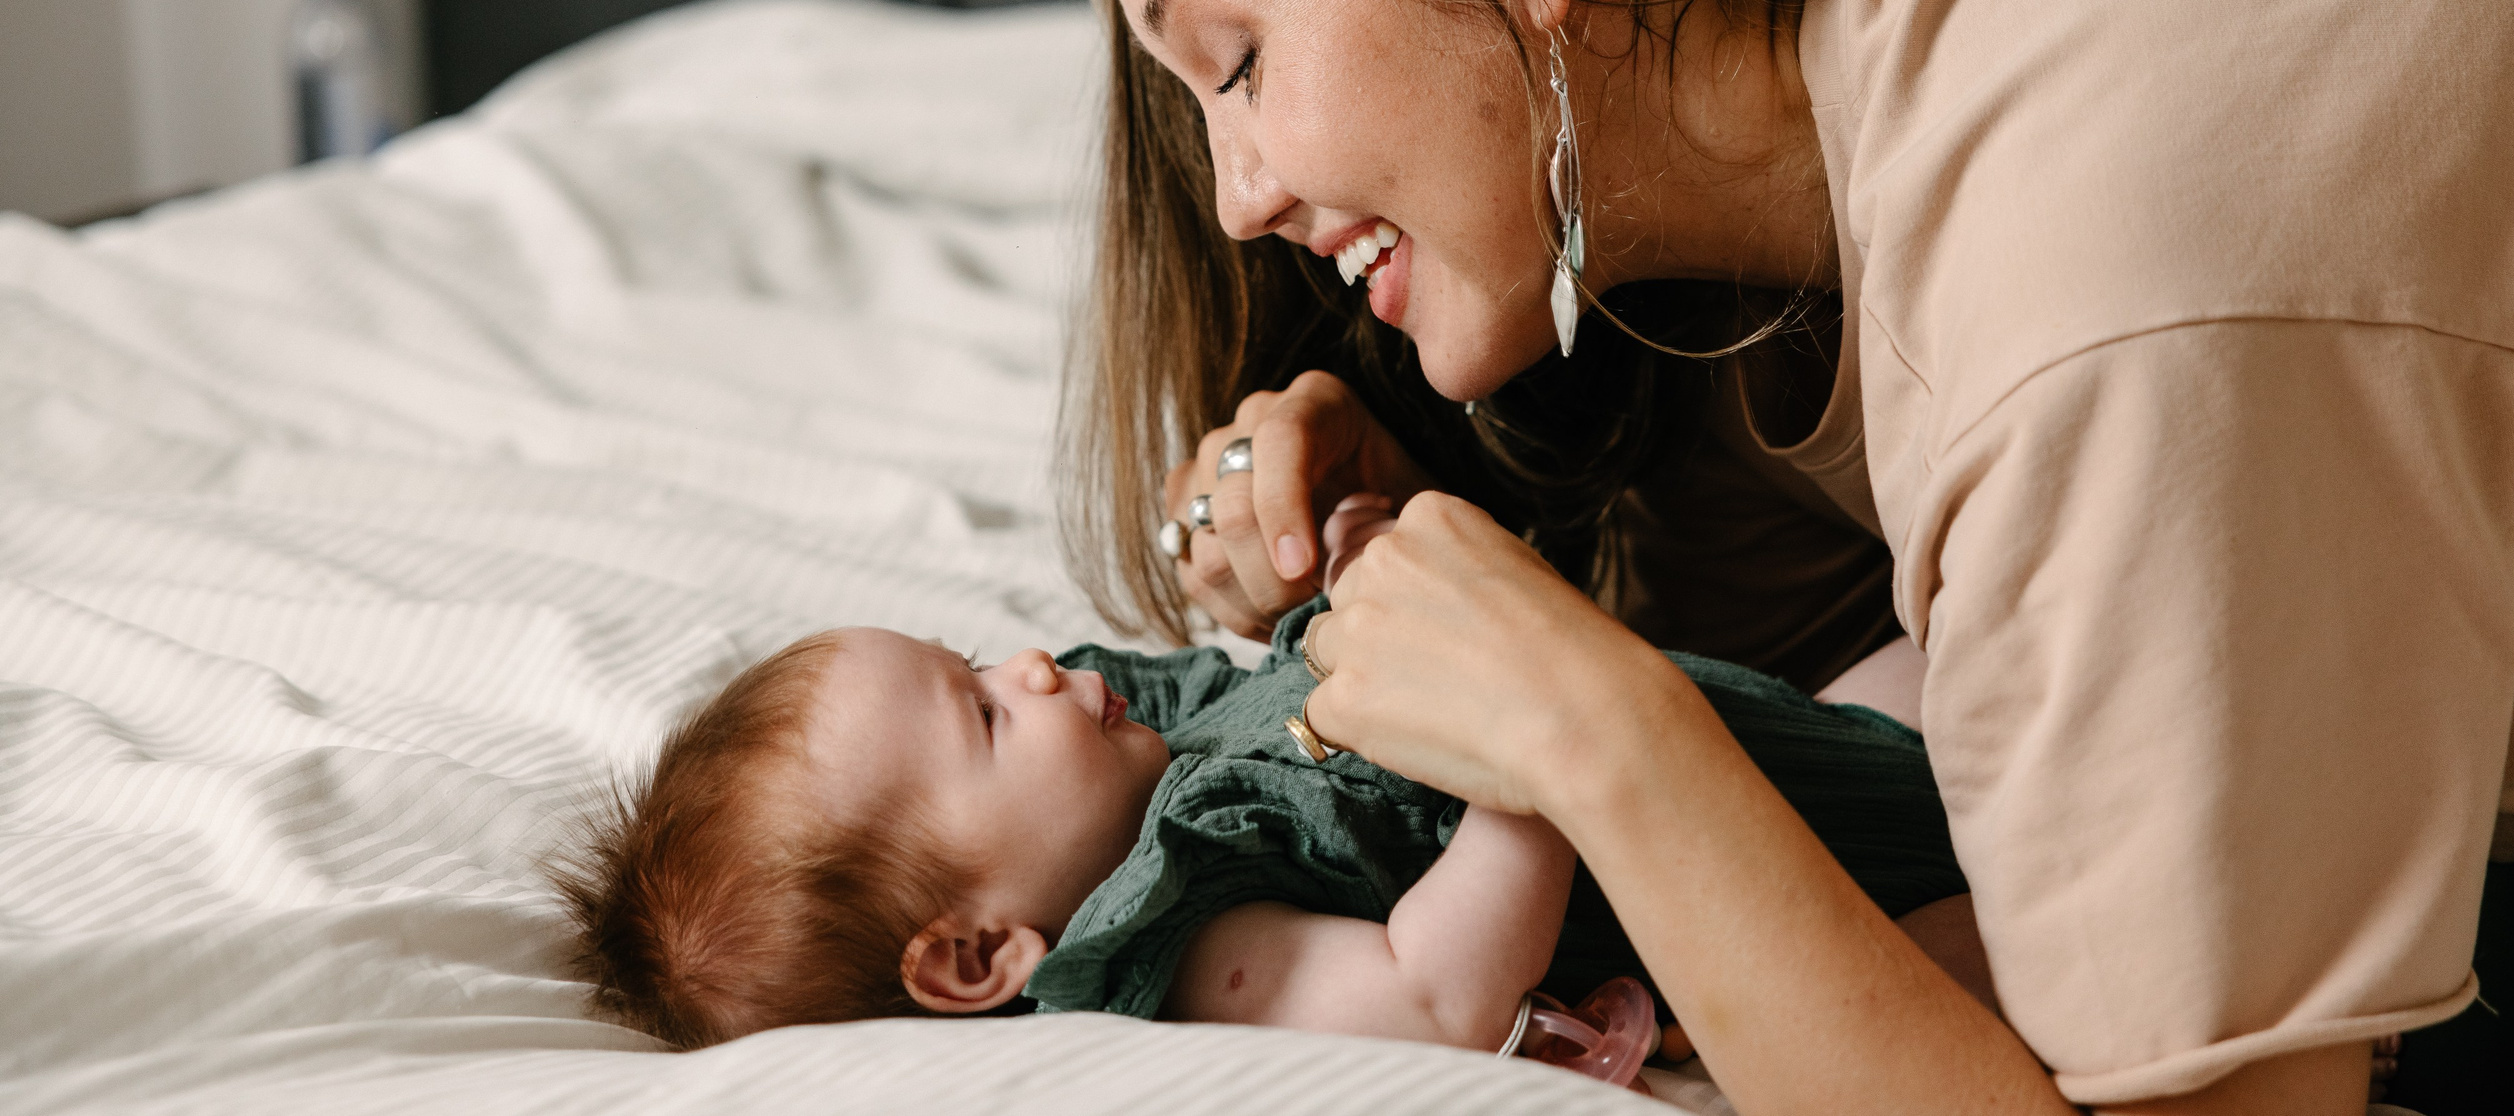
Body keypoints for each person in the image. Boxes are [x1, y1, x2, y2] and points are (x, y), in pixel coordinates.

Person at [1049, 0, 2514, 1116]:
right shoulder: (1869, 94)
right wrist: (1449, 539)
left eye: (1240, 60)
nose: (1240, 195)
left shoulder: (2091, 292)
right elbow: (1892, 720)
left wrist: (1604, 740)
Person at [546, 497, 1975, 1053]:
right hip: (1803, 890)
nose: (1032, 670)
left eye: (979, 655)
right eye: (983, 716)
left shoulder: (1143, 752)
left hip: (1781, 742)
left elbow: (1292, 685)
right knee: (1987, 931)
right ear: (978, 953)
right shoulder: (1198, 939)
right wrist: (1518, 756)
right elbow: (1434, 988)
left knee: (1949, 651)